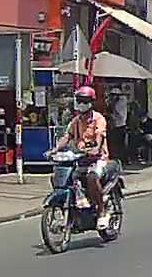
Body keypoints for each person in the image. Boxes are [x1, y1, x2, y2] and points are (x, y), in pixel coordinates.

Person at [46, 86, 113, 228]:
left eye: (85, 101)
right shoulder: (76, 121)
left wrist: (95, 149)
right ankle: (77, 203)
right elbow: (67, 137)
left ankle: (101, 210)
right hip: (79, 158)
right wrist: (55, 150)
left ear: (91, 102)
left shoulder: (98, 119)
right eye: (79, 100)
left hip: (98, 159)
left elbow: (100, 136)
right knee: (61, 177)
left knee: (92, 177)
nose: (81, 104)